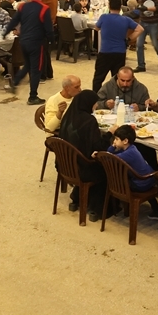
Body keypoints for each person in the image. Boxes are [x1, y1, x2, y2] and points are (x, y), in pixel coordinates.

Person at [58, 90, 112, 222]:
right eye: (94, 104)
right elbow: (98, 146)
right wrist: (110, 133)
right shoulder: (89, 121)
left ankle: (77, 197)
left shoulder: (67, 115)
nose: (96, 106)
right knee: (107, 167)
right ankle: (97, 207)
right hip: (82, 169)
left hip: (64, 165)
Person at [4, 0, 56, 105]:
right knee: (36, 69)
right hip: (37, 42)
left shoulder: (23, 7)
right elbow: (49, 29)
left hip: (23, 40)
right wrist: (51, 41)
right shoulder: (44, 9)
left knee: (27, 65)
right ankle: (33, 96)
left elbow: (14, 20)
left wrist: (5, 32)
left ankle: (16, 81)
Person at [103, 124, 158, 219]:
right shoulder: (132, 148)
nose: (114, 141)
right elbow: (111, 155)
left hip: (141, 184)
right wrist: (114, 146)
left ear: (125, 141)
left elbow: (108, 159)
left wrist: (111, 147)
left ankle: (121, 205)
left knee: (118, 180)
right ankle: (157, 210)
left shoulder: (128, 154)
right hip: (149, 178)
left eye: (116, 139)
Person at [92, 0, 142, 93]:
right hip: (120, 52)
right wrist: (129, 38)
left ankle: (95, 98)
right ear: (120, 7)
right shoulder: (125, 19)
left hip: (105, 52)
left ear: (109, 6)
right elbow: (140, 29)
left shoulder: (104, 17)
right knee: (117, 78)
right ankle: (117, 97)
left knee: (98, 78)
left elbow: (96, 28)